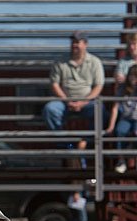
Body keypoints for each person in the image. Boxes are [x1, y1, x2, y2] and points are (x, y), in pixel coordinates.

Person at [42, 30, 104, 158]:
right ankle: (65, 144)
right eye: (73, 42)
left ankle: (87, 142)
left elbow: (98, 86)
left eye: (77, 42)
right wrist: (66, 101)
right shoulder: (60, 62)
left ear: (85, 44)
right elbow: (55, 84)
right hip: (64, 102)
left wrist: (83, 102)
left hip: (87, 102)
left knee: (99, 110)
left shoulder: (95, 62)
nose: (74, 45)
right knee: (50, 109)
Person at [105, 64, 137, 173]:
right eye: (132, 76)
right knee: (120, 131)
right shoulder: (122, 88)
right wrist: (111, 126)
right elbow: (115, 107)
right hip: (126, 118)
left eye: (136, 76)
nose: (134, 79)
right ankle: (121, 160)